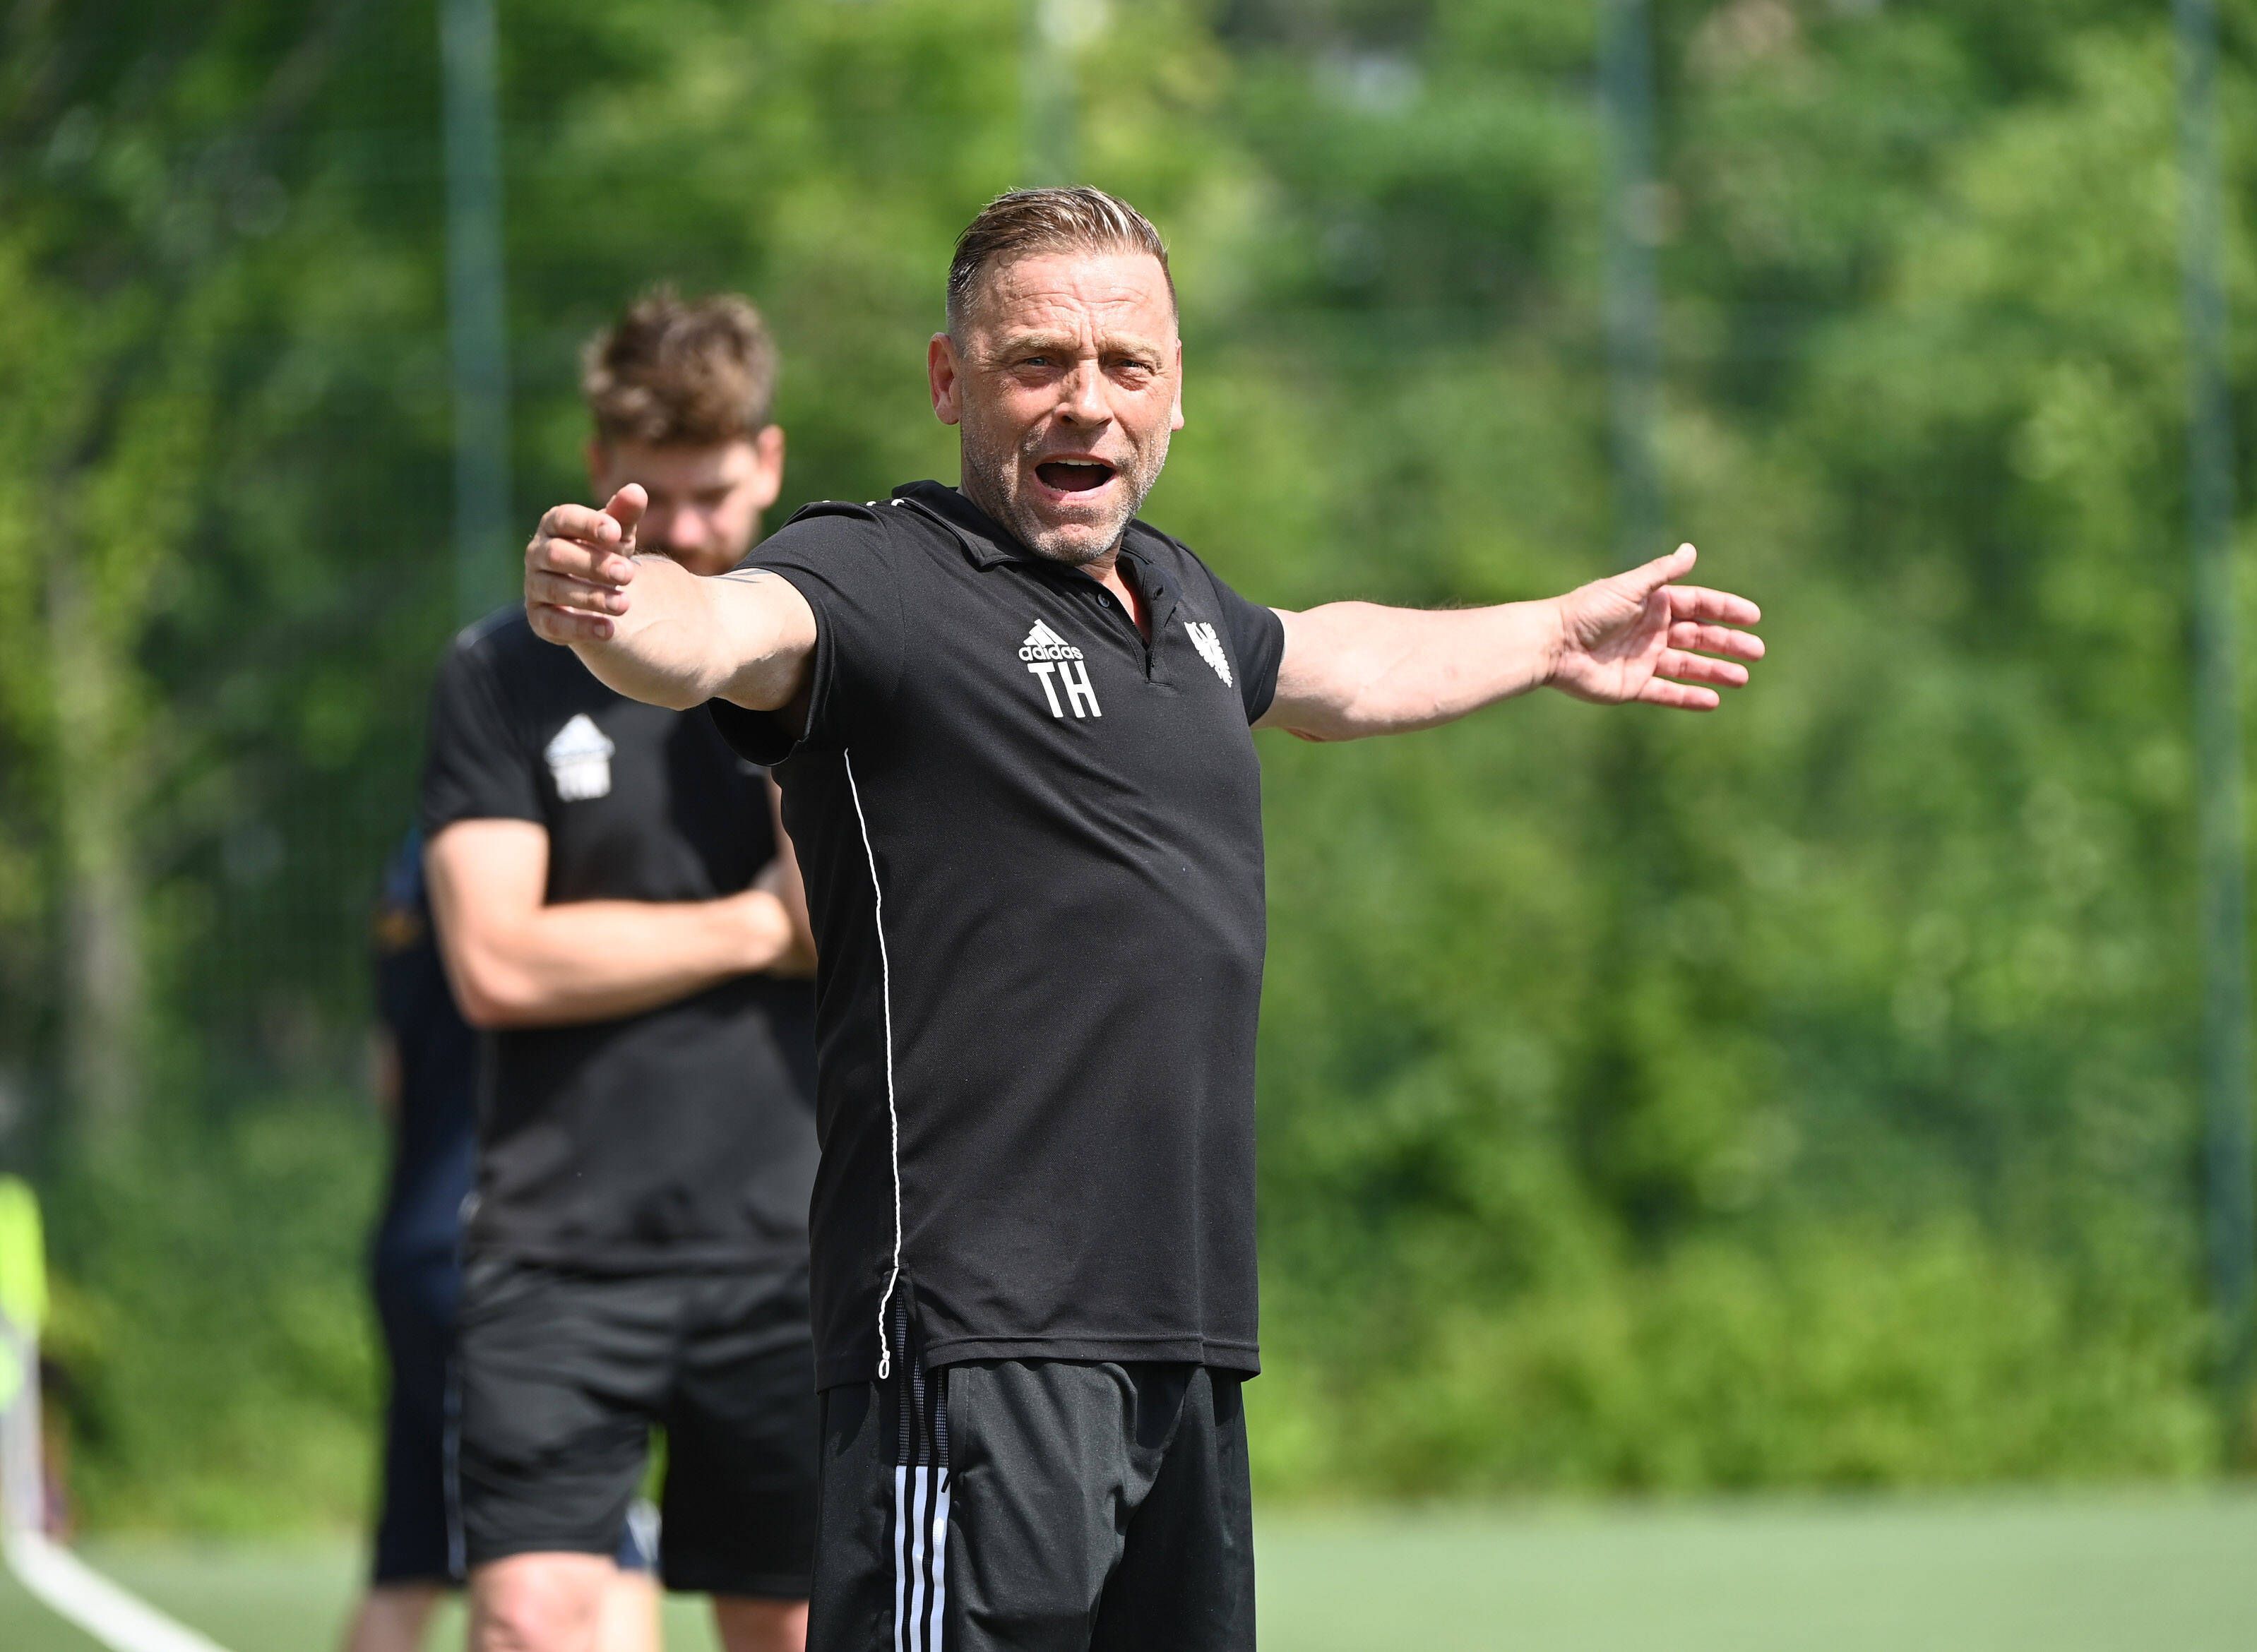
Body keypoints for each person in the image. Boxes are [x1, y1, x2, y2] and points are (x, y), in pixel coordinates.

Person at [520, 188, 1765, 1652]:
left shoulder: (1171, 598)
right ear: (949, 382)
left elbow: (1332, 662)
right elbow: (721, 630)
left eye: (1127, 366)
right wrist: (614, 610)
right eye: (1036, 361)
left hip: (1178, 1345)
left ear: (1175, 395)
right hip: (974, 1348)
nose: (1085, 402)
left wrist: (1548, 636)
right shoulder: (881, 575)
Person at [422, 290, 823, 1652]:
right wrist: (750, 930)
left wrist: (761, 664)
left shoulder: (816, 655)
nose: (698, 529)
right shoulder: (497, 674)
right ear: (601, 470)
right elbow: (495, 961)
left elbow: (837, 912)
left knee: (789, 1624)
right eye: (672, 495)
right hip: (558, 1243)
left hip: (788, 1245)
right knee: (530, 1620)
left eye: (723, 492)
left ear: (766, 464)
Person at [340, 832, 660, 1652]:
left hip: (420, 1233)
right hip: (499, 1249)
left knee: (406, 1565)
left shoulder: (412, 858)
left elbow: (387, 1076)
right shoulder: (544, 841)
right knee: (593, 1554)